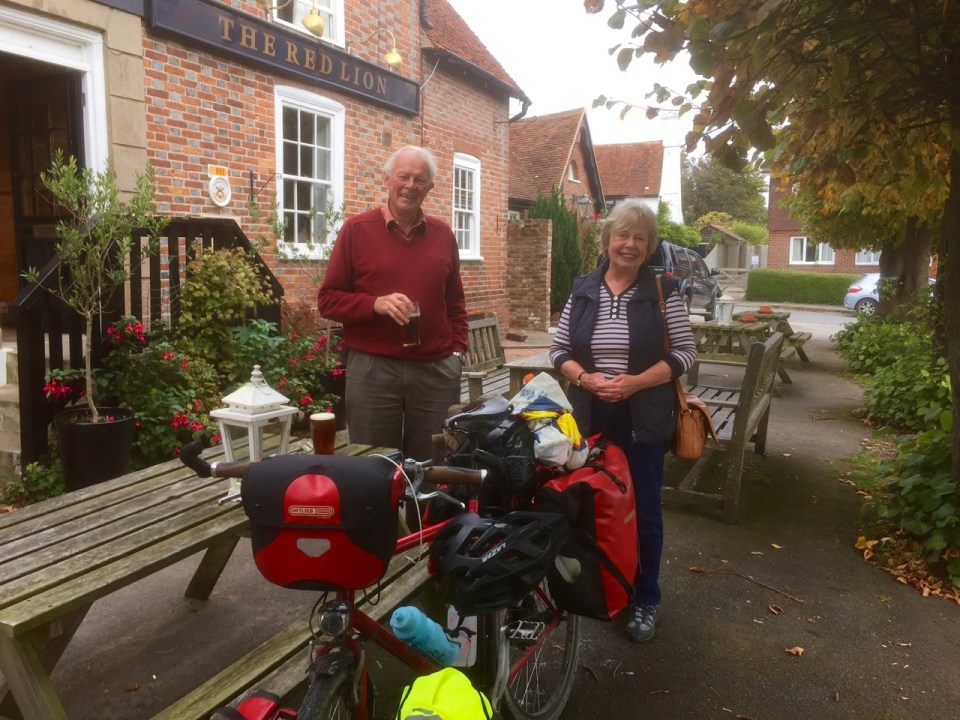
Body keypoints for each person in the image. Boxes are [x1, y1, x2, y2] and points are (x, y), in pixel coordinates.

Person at [548, 200, 696, 643]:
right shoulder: (583, 288)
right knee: (589, 505)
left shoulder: (663, 290)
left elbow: (684, 354)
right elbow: (559, 352)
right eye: (622, 235)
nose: (629, 245)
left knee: (645, 509)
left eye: (640, 238)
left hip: (643, 415)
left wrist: (633, 383)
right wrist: (587, 378)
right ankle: (602, 586)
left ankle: (645, 597)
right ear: (607, 239)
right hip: (591, 412)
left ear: (649, 246)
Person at [317, 145, 468, 463]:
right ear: (387, 178)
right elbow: (328, 301)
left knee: (434, 465)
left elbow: (455, 301)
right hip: (374, 370)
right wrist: (375, 305)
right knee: (375, 465)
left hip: (435, 370)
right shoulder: (356, 231)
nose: (410, 185)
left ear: (429, 187)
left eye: (420, 179)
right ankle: (380, 516)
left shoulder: (443, 235)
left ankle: (425, 515)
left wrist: (457, 352)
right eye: (403, 176)